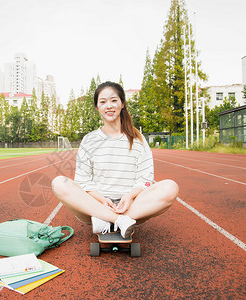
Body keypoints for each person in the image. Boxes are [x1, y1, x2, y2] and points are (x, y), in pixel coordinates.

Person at [51, 81, 179, 239]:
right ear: (97, 108)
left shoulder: (137, 138)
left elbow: (146, 177)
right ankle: (118, 220)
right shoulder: (89, 140)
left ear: (122, 104)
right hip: (96, 204)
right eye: (103, 102)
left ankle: (108, 220)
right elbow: (83, 181)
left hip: (132, 206)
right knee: (58, 183)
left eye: (113, 100)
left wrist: (130, 197)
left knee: (170, 188)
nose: (109, 106)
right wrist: (102, 200)